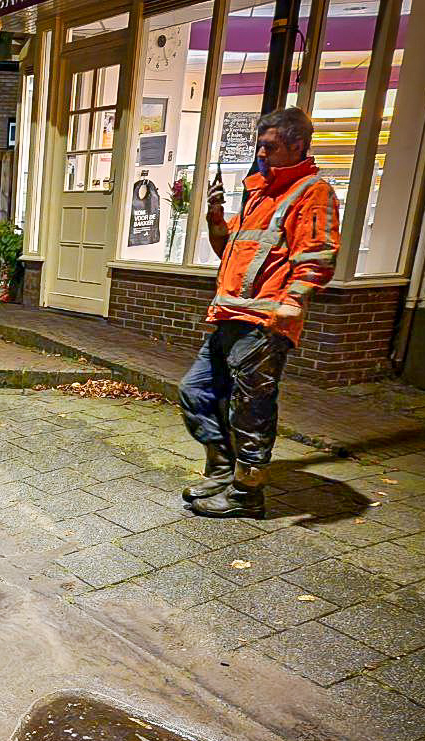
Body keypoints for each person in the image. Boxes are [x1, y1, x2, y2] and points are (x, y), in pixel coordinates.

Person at [178, 107, 340, 519]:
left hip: (265, 322)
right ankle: (222, 470)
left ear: (298, 145)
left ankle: (246, 494)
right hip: (230, 314)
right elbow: (228, 250)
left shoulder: (311, 192)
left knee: (251, 408)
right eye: (260, 145)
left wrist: (291, 304)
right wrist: (216, 218)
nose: (262, 154)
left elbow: (317, 258)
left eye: (270, 146)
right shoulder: (261, 192)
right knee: (195, 391)